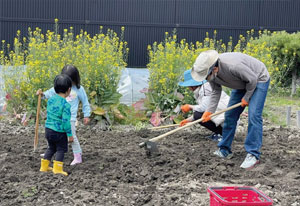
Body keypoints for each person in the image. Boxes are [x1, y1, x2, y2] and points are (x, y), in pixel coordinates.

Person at [191, 50, 270, 169]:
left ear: (215, 69)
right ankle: (224, 149)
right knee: (229, 116)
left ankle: (253, 154)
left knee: (254, 116)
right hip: (242, 82)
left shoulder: (233, 66)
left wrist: (247, 97)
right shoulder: (212, 75)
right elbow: (215, 91)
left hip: (258, 79)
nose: (206, 79)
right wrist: (209, 111)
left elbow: (252, 80)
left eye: (206, 76)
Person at [39, 65, 91, 166]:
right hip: (57, 118)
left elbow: (85, 102)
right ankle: (51, 151)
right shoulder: (61, 85)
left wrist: (86, 115)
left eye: (70, 82)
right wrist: (42, 95)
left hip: (69, 118)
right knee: (53, 135)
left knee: (72, 137)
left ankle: (77, 156)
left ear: (75, 80)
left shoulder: (79, 89)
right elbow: (48, 93)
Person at [178, 69, 230, 141]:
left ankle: (222, 133)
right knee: (198, 115)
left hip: (226, 117)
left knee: (197, 115)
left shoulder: (205, 88)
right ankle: (220, 132)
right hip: (223, 116)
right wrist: (188, 120)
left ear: (191, 85)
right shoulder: (203, 88)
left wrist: (190, 107)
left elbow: (204, 108)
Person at [39, 74, 73, 176]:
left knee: (51, 148)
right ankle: (57, 169)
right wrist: (70, 134)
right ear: (69, 90)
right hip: (59, 132)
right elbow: (66, 121)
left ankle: (44, 167)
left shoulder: (50, 100)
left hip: (48, 129)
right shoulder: (66, 105)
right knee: (61, 149)